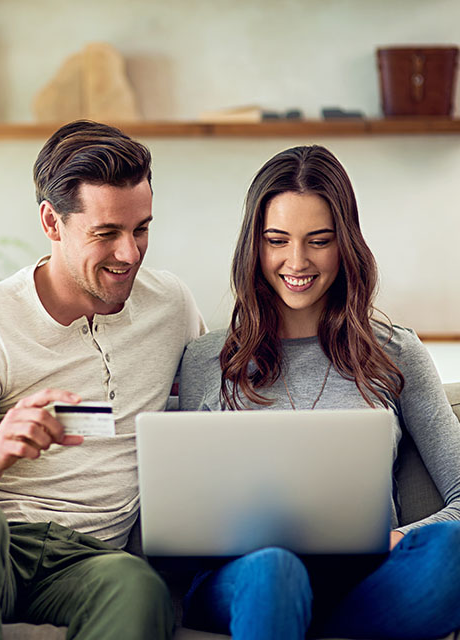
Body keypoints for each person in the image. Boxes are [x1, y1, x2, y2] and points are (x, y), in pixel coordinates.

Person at [0, 120, 205, 640]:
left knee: (137, 584)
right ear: (51, 221)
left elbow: (219, 397)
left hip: (87, 562)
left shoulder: (170, 305)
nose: (129, 254)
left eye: (141, 229)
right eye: (106, 233)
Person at [179, 145, 460, 639]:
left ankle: (306, 622)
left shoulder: (396, 352)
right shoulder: (208, 359)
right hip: (249, 579)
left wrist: (395, 537)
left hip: (362, 583)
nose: (297, 260)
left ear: (345, 243)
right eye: (277, 240)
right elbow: (183, 517)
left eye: (319, 240)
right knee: (276, 572)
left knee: (451, 552)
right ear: (255, 245)